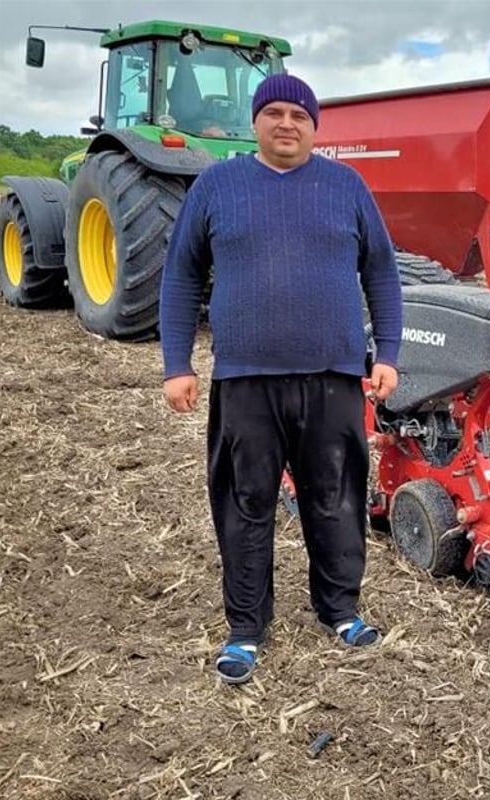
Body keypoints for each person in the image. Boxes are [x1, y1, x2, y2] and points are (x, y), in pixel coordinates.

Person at [160, 73, 403, 686]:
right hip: (246, 379)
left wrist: (388, 352)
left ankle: (340, 609)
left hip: (334, 377)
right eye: (274, 113)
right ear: (256, 122)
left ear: (315, 126)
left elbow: (381, 272)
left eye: (299, 114)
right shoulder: (218, 184)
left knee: (337, 495)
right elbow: (182, 276)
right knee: (245, 503)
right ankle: (245, 628)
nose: (287, 123)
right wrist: (177, 364)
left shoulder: (346, 186)